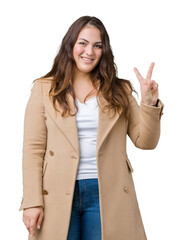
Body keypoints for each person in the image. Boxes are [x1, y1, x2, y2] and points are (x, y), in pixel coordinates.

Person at [19, 16, 164, 240]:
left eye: (98, 46)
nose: (90, 51)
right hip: (56, 193)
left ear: (104, 51)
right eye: (83, 43)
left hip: (106, 192)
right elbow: (33, 150)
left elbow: (146, 141)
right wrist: (31, 201)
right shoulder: (44, 89)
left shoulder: (120, 90)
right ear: (71, 45)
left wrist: (149, 103)